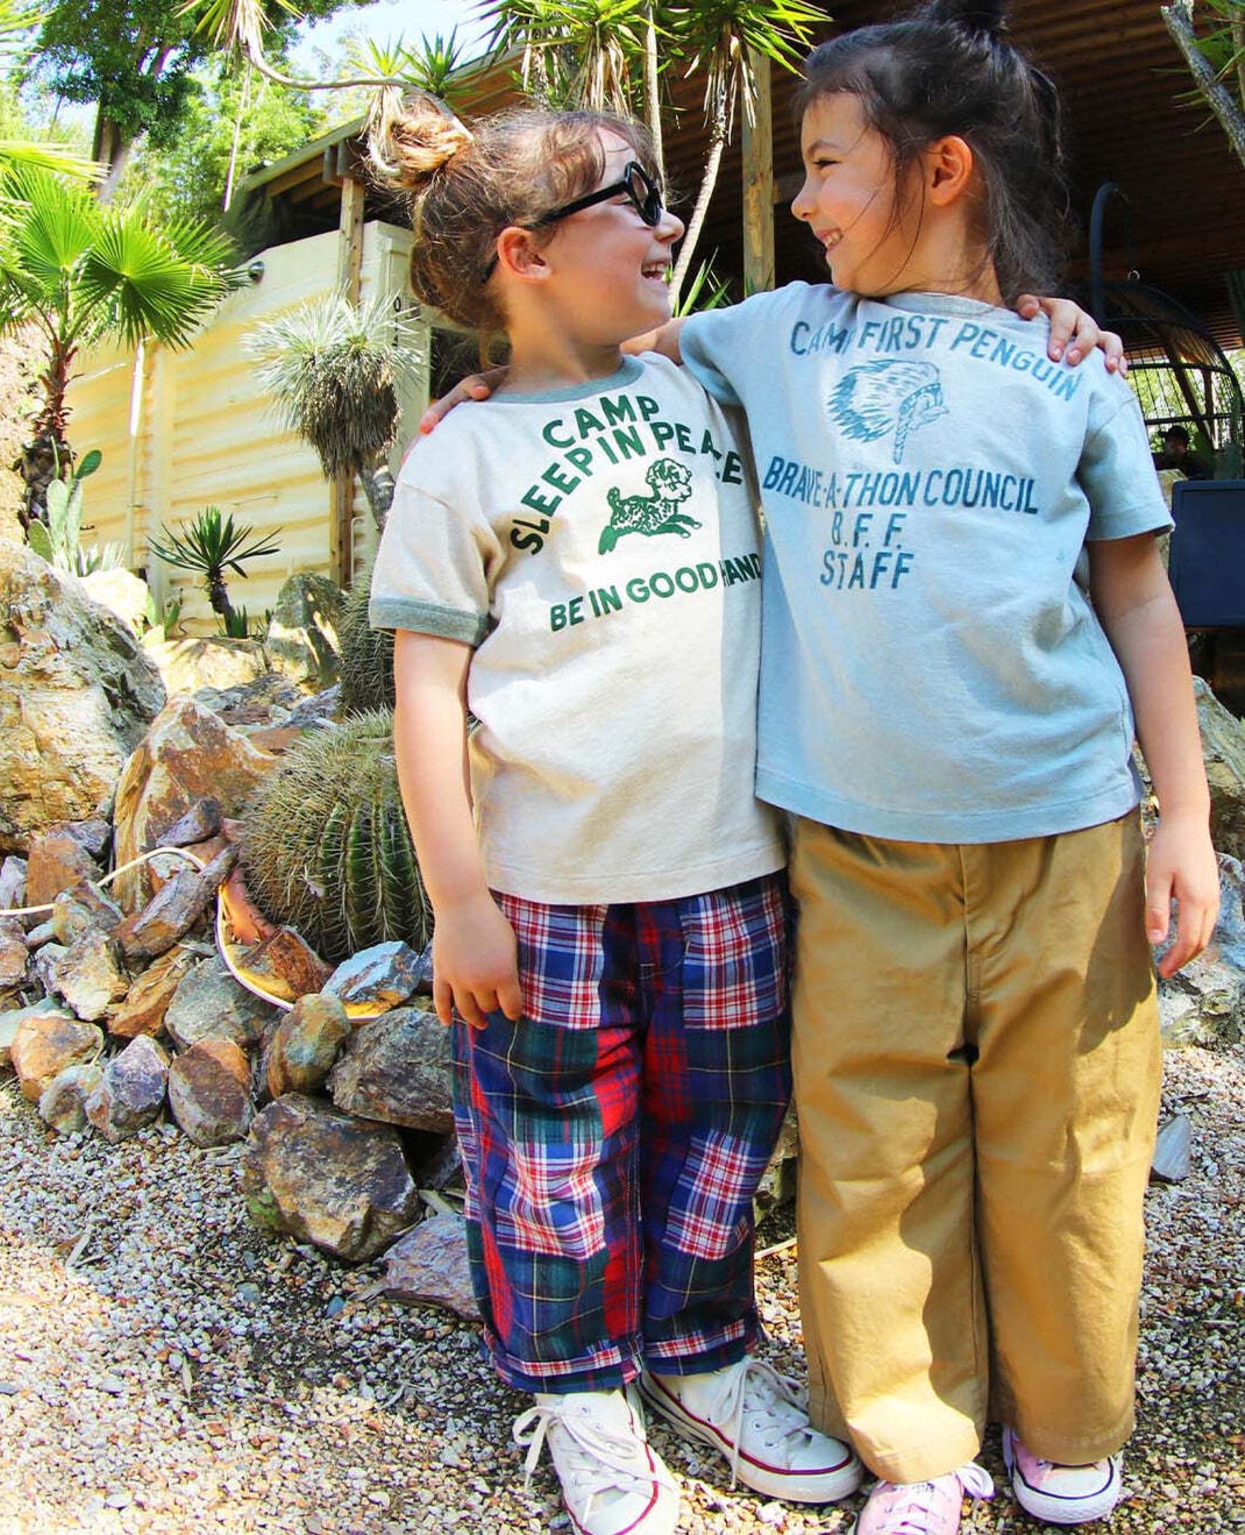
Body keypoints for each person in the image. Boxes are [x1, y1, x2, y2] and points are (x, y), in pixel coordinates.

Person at [622, 3, 1219, 1531]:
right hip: (855, 840)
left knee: (1072, 1133)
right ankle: (915, 1437)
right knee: (872, 1141)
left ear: (942, 169)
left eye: (829, 162)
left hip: (1066, 829)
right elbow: (619, 354)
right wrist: (493, 390)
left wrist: (1187, 822)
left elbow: (1139, 598)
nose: (803, 198)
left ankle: (1068, 1420)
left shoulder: (1068, 370)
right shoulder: (778, 334)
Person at [364, 96, 867, 1535]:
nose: (664, 226)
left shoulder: (705, 382)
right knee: (549, 1152)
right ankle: (577, 1384)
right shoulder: (461, 457)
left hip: (728, 864)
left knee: (723, 1132)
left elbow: (884, 334)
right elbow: (425, 692)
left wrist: (1044, 315)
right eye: (631, 203)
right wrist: (459, 900)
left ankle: (702, 1353)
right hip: (545, 885)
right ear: (524, 254)